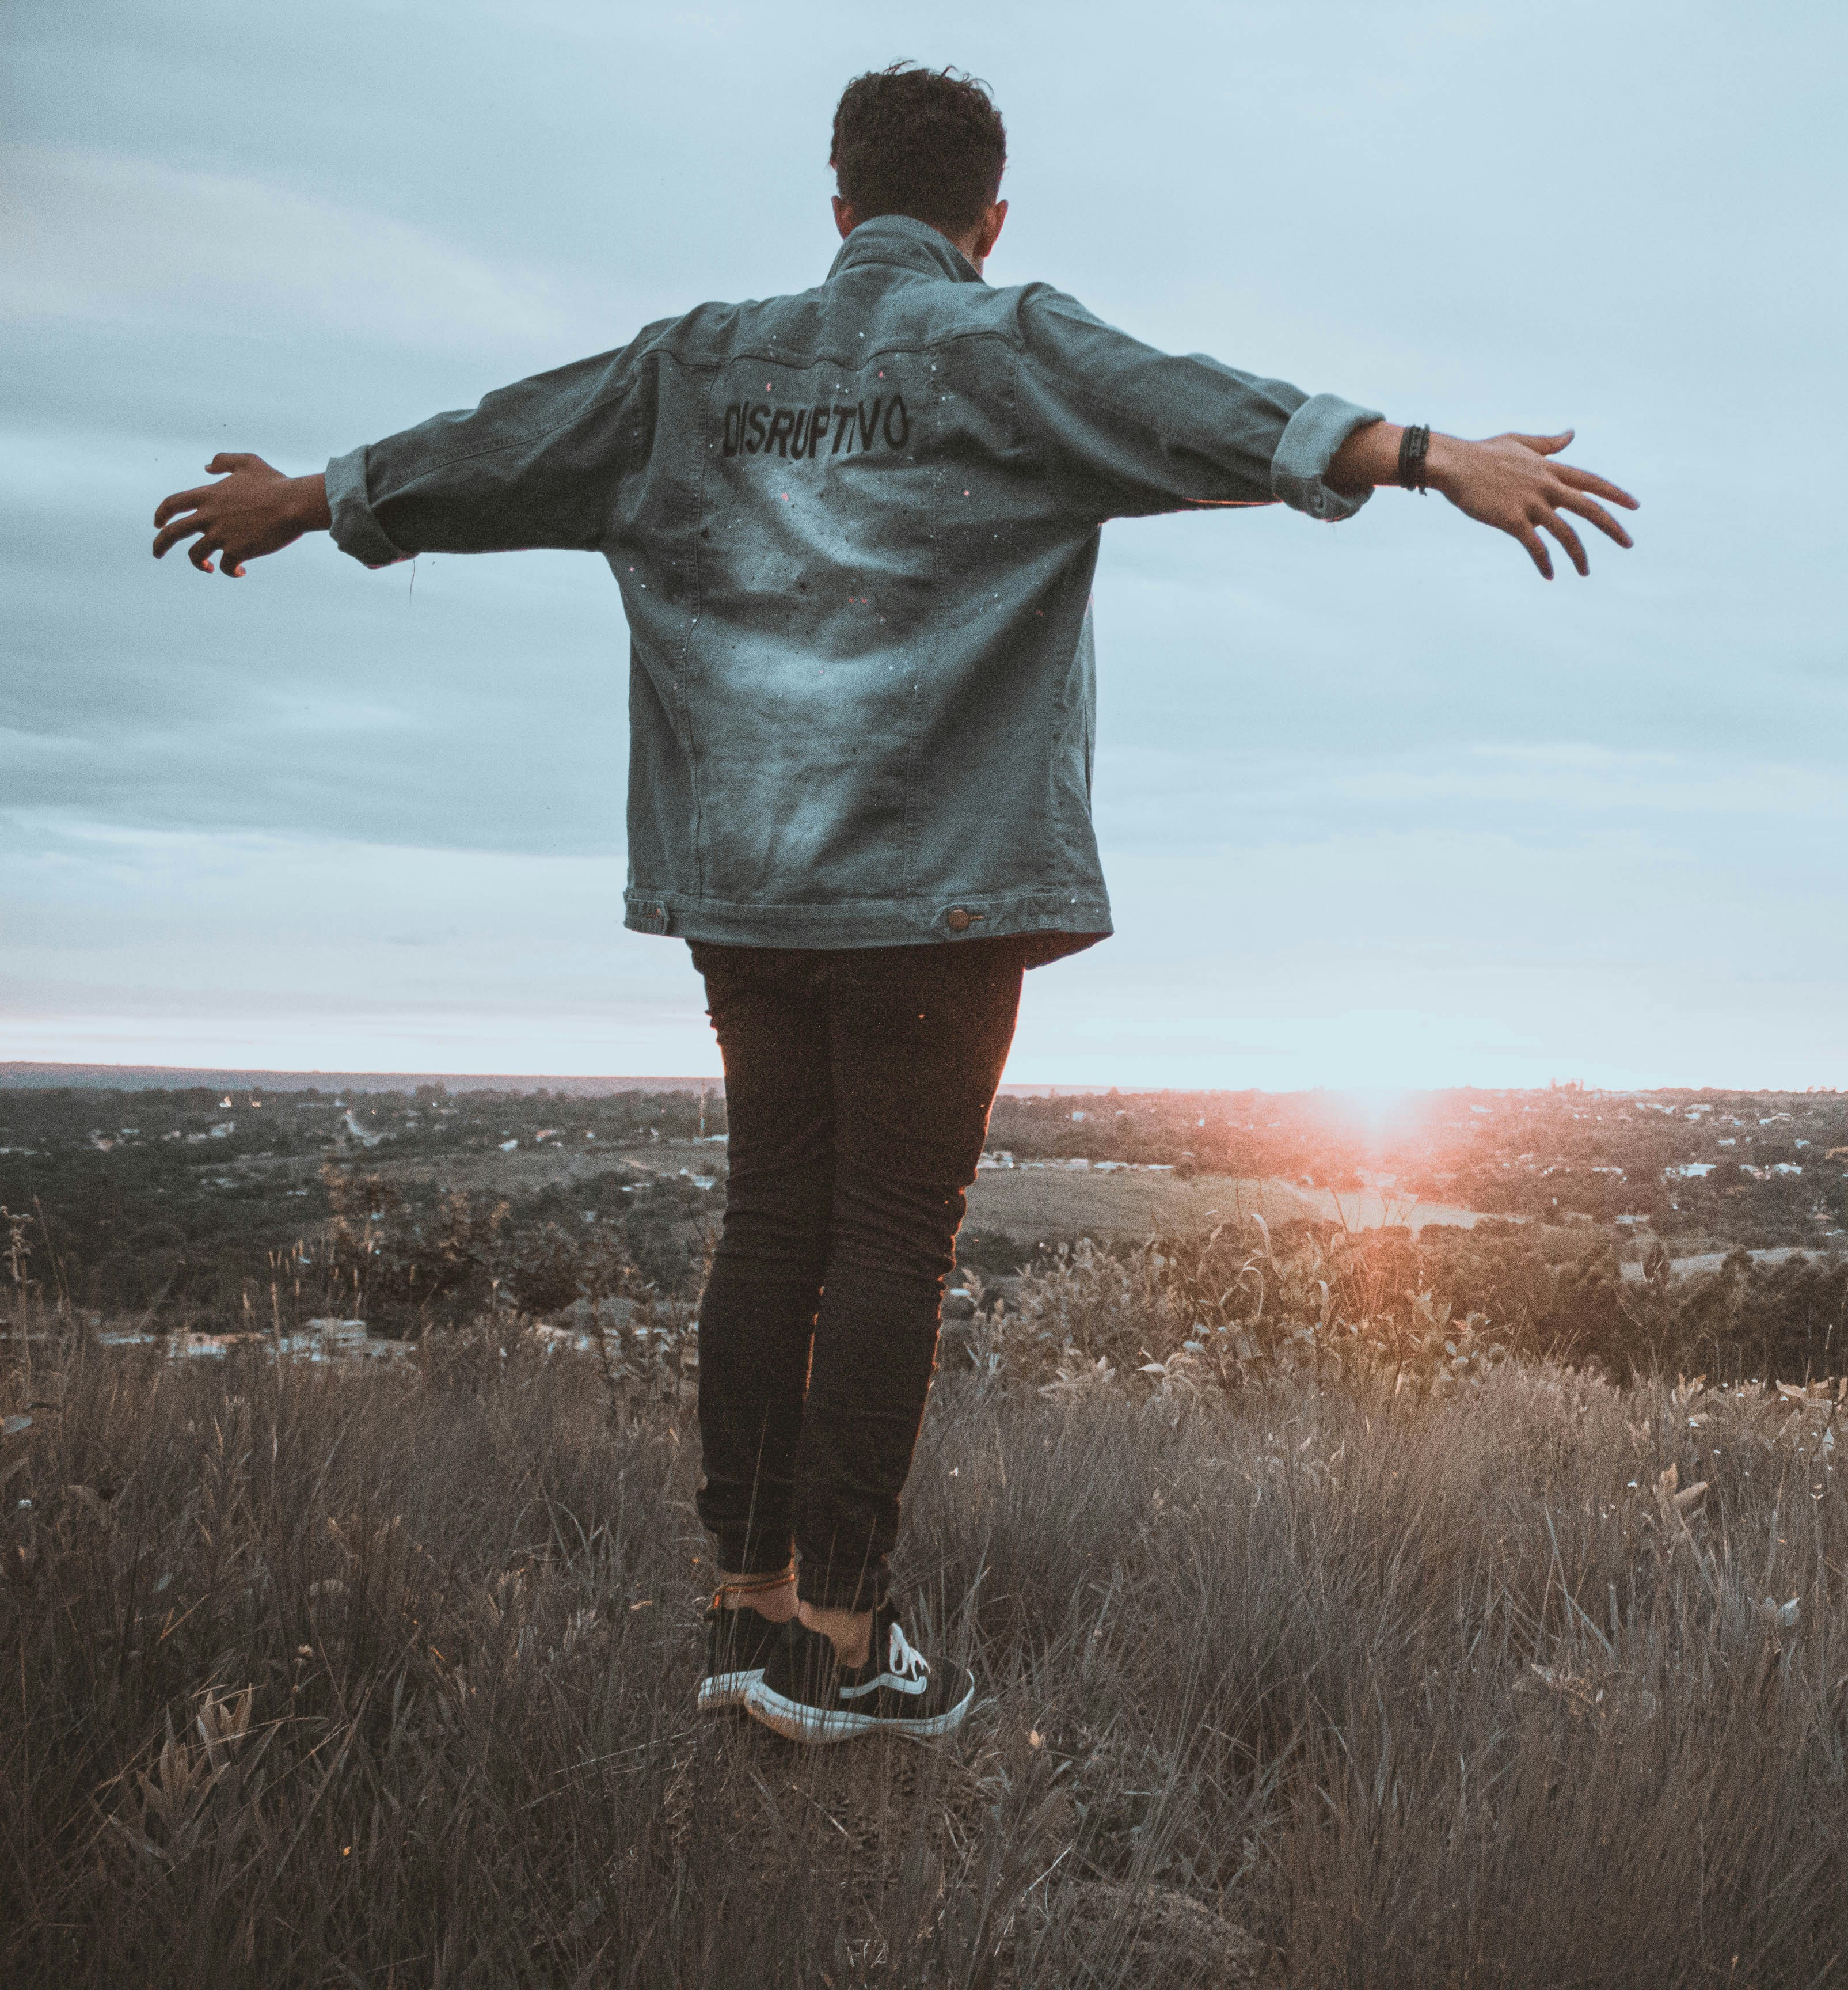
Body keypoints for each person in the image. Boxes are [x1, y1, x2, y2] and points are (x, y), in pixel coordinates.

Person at [146, 62, 1636, 1745]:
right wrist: (1428, 456)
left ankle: (743, 1610)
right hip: (933, 895)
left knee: (772, 1223)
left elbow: (497, 447)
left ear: (838, 204)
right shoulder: (1004, 348)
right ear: (987, 224)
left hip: (748, 885)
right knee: (888, 1246)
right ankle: (847, 1643)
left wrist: (305, 500)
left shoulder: (690, 368)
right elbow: (1193, 407)